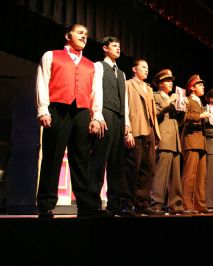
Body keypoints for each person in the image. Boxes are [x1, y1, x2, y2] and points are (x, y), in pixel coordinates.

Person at [36, 24, 103, 218]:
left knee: (82, 158)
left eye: (87, 34)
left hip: (82, 110)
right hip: (58, 108)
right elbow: (42, 82)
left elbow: (95, 92)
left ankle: (86, 204)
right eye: (80, 32)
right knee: (53, 155)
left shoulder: (92, 65)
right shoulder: (51, 55)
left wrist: (96, 116)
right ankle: (46, 204)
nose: (84, 36)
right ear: (68, 35)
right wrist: (43, 109)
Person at [88, 36, 130, 216]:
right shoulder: (99, 66)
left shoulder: (121, 73)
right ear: (105, 48)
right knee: (99, 159)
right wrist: (97, 114)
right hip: (105, 113)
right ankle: (92, 203)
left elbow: (125, 101)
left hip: (119, 118)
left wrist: (127, 122)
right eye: (114, 46)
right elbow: (96, 89)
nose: (118, 49)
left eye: (119, 46)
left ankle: (114, 204)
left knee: (117, 163)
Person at [123, 59, 163, 216]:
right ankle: (127, 203)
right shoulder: (127, 85)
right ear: (134, 69)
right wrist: (128, 131)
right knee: (132, 168)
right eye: (143, 67)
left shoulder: (148, 88)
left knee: (148, 169)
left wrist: (156, 135)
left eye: (147, 67)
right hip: (136, 128)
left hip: (150, 131)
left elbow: (152, 112)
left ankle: (142, 203)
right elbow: (125, 109)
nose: (146, 70)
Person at [150, 69, 188, 215]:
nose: (171, 83)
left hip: (175, 140)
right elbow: (155, 114)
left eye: (172, 81)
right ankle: (156, 205)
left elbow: (178, 123)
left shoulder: (172, 99)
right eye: (167, 80)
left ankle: (176, 205)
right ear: (159, 83)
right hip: (164, 139)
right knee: (160, 175)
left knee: (175, 178)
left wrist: (182, 110)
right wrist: (169, 101)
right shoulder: (156, 96)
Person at [181, 74, 210, 214]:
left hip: (202, 142)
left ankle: (200, 205)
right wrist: (200, 116)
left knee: (201, 176)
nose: (203, 86)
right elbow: (183, 116)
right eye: (200, 84)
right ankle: (187, 205)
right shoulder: (187, 100)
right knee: (189, 175)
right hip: (191, 141)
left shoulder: (201, 103)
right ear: (192, 87)